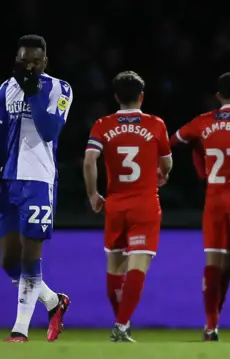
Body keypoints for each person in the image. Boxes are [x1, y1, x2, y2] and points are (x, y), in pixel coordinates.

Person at [0, 35, 72, 343]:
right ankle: (53, 301)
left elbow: (49, 131)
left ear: (45, 61)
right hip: (9, 181)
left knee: (31, 258)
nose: (28, 66)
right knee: (9, 262)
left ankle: (20, 331)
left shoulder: (60, 89)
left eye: (34, 61)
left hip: (38, 181)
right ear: (16, 61)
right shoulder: (6, 88)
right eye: (22, 61)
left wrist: (33, 93)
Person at [170, 73, 230, 341]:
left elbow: (171, 142)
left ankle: (211, 327)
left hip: (214, 202)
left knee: (213, 266)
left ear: (218, 96)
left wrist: (197, 161)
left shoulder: (202, 122)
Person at [84, 71, 173, 343]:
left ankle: (121, 322)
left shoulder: (102, 124)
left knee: (114, 269)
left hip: (116, 204)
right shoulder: (156, 125)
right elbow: (167, 164)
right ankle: (121, 325)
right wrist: (162, 174)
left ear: (115, 97)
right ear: (141, 96)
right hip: (144, 204)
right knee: (137, 266)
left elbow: (89, 161)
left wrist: (92, 195)